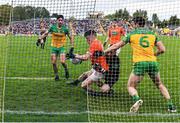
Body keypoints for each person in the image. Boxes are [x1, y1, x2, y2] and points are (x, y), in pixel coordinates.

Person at [105, 16, 176, 113]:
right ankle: (171, 106)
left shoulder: (132, 34)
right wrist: (154, 54)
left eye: (133, 23)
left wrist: (105, 51)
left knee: (130, 86)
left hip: (140, 63)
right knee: (159, 84)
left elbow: (117, 46)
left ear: (137, 24)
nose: (132, 25)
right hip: (152, 62)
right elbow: (163, 49)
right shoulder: (152, 34)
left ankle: (137, 99)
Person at [38, 15, 74, 81]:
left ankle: (66, 70)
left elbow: (71, 38)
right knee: (54, 62)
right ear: (57, 21)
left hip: (61, 47)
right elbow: (46, 34)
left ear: (63, 21)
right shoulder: (52, 27)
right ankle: (56, 75)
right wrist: (39, 38)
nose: (60, 21)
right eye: (59, 20)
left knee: (63, 62)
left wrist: (72, 46)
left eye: (61, 20)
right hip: (53, 47)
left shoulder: (65, 29)